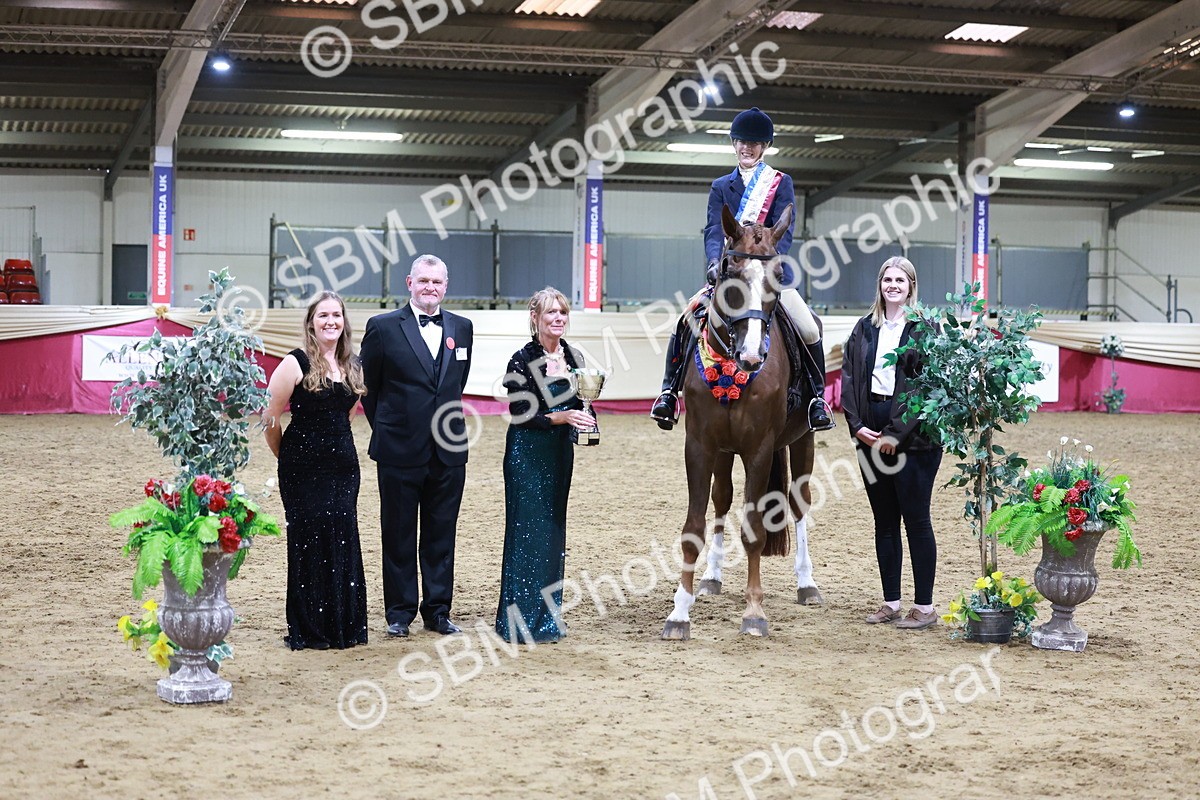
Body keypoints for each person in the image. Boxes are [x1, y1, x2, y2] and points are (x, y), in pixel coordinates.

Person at [650, 106, 834, 433]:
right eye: (742, 142)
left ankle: (816, 399)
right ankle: (668, 392)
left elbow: (784, 232)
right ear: (734, 144)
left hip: (764, 272)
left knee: (809, 327)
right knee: (685, 318)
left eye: (755, 143)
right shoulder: (721, 185)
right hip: (729, 275)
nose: (747, 148)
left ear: (764, 147)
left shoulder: (780, 183)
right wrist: (713, 263)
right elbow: (711, 229)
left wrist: (765, 266)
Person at [360, 254, 473, 638]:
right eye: (423, 280)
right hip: (398, 449)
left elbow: (454, 384)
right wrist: (392, 428)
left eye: (436, 282)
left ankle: (438, 611)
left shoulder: (463, 327)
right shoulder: (382, 327)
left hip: (449, 450)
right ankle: (400, 612)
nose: (430, 288)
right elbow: (369, 389)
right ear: (409, 282)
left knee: (442, 533)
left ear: (446, 285)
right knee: (398, 532)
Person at [264, 291, 369, 651]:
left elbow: (348, 415)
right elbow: (270, 418)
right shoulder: (294, 363)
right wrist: (287, 458)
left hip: (343, 469)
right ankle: (310, 629)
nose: (330, 322)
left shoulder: (354, 364)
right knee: (309, 541)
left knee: (342, 538)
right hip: (301, 470)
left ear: (344, 321)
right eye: (323, 315)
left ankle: (344, 626)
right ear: (311, 322)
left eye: (336, 315)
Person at [840, 256, 941, 630]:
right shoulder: (864, 328)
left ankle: (925, 608)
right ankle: (891, 603)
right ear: (879, 284)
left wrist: (894, 435)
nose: (893, 285)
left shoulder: (923, 329)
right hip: (870, 430)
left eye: (900, 279)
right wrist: (857, 426)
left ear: (911, 286)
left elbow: (921, 387)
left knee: (916, 521)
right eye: (887, 279)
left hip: (913, 439)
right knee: (884, 522)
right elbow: (849, 378)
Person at [494, 287, 595, 643]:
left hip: (559, 456)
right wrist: (562, 415)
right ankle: (517, 622)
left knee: (552, 536)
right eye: (551, 313)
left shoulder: (574, 356)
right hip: (527, 453)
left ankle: (547, 620)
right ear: (535, 317)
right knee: (526, 536)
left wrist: (584, 416)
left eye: (563, 313)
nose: (557, 319)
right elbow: (520, 413)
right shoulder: (521, 359)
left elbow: (582, 400)